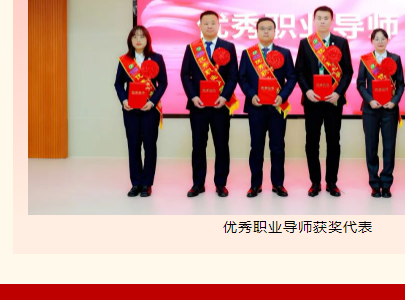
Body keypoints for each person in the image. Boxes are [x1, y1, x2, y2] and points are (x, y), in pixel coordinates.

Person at [295, 6, 353, 197]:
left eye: (326, 18)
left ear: (332, 20)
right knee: (312, 142)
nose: (322, 21)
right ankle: (315, 182)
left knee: (333, 141)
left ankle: (331, 182)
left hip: (333, 101)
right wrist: (307, 90)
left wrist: (338, 92)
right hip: (312, 100)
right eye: (319, 18)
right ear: (314, 20)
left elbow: (347, 72)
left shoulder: (341, 42)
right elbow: (299, 71)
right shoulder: (305, 43)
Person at [180, 10, 239, 198]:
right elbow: (185, 75)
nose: (209, 26)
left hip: (220, 106)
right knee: (198, 145)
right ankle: (198, 184)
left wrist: (225, 96)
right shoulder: (192, 48)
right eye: (206, 23)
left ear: (219, 25)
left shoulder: (228, 47)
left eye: (213, 23)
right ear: (200, 25)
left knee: (221, 145)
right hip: (198, 106)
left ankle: (221, 184)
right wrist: (192, 96)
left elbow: (233, 76)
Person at [239, 17, 297, 197]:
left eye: (269, 28)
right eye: (262, 28)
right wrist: (251, 95)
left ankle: (278, 184)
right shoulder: (248, 54)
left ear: (275, 31)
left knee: (277, 147)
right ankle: (255, 185)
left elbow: (292, 77)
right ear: (257, 31)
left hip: (277, 108)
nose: (266, 31)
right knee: (256, 147)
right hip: (256, 107)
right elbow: (242, 78)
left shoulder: (284, 53)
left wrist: (282, 96)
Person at [114, 25, 168, 197]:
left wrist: (152, 102)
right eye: (135, 36)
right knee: (133, 145)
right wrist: (124, 100)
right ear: (130, 40)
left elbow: (163, 83)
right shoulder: (124, 60)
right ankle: (136, 183)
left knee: (150, 146)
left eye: (142, 36)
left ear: (147, 40)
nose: (138, 40)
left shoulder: (157, 58)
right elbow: (118, 83)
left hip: (150, 110)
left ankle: (147, 183)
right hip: (130, 110)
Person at [356, 28, 405, 198]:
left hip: (389, 110)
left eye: (383, 38)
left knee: (389, 147)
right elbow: (360, 84)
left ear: (387, 40)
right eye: (376, 39)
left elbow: (400, 84)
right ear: (372, 41)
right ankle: (374, 184)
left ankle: (386, 184)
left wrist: (394, 101)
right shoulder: (365, 60)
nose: (380, 42)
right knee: (371, 147)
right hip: (370, 110)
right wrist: (370, 100)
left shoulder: (395, 59)